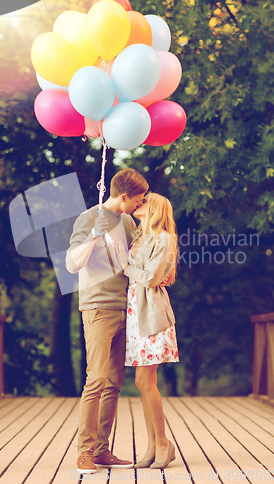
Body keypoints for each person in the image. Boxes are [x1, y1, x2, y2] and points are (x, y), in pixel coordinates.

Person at [66, 168, 149, 474]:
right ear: (124, 196)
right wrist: (94, 236)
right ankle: (84, 452)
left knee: (114, 382)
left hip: (123, 306)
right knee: (97, 379)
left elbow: (132, 262)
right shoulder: (88, 218)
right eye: (139, 198)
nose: (142, 202)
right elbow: (72, 264)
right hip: (98, 307)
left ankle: (102, 450)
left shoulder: (128, 221)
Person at [115, 192, 179, 469]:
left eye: (144, 201)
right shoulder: (140, 236)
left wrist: (125, 266)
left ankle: (163, 443)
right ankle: (153, 445)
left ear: (154, 208)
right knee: (143, 383)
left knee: (144, 381)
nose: (138, 203)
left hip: (151, 312)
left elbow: (152, 277)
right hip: (135, 312)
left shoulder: (164, 238)